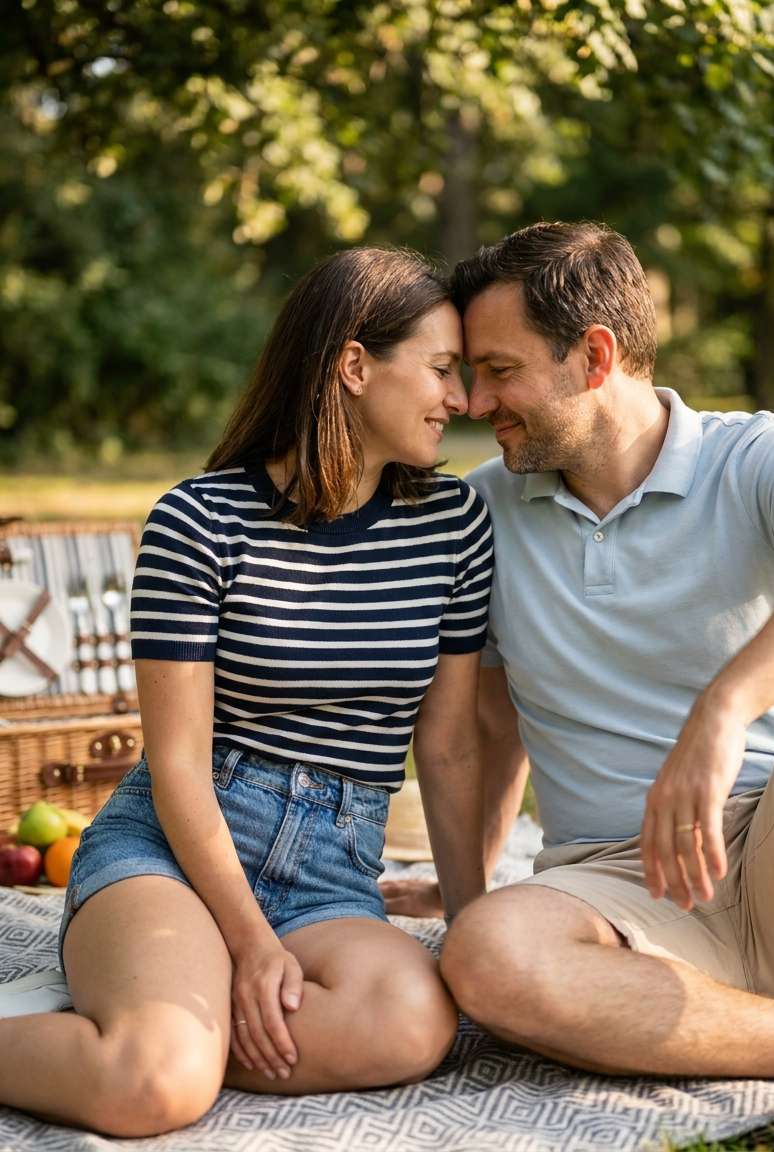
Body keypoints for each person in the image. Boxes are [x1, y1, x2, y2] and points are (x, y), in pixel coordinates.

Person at [386, 221, 774, 1088]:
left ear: (593, 357)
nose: (474, 403)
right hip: (617, 894)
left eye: (499, 370)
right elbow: (490, 729)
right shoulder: (477, 514)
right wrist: (469, 895)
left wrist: (723, 711)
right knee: (485, 955)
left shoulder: (752, 455)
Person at [0, 247, 493, 1136]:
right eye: (442, 369)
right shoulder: (197, 521)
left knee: (416, 1023)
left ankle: (161, 1017)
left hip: (332, 875)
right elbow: (179, 764)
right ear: (354, 366)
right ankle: (153, 1035)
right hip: (178, 852)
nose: (461, 400)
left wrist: (472, 922)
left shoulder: (453, 528)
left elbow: (450, 748)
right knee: (154, 1087)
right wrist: (250, 944)